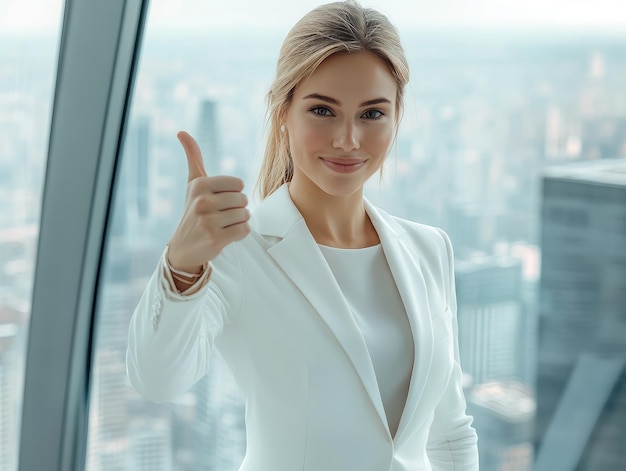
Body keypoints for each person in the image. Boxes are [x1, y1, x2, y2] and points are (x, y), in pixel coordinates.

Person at [126, 1, 479, 469]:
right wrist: (182, 266)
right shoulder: (238, 252)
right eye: (322, 110)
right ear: (283, 112)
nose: (348, 139)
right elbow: (157, 380)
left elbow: (450, 434)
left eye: (372, 114)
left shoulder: (429, 249)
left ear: (397, 118)